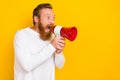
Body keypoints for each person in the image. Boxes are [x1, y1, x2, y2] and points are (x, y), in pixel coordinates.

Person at [14, 3, 65, 80]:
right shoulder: (21, 35)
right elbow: (27, 65)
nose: (52, 21)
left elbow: (60, 65)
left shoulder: (52, 37)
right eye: (48, 17)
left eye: (53, 18)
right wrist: (52, 46)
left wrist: (59, 52)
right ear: (36, 19)